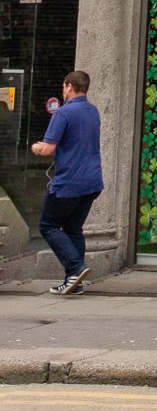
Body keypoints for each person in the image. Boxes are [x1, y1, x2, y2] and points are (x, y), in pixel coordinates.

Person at [31, 69, 102, 297]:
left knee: (48, 226)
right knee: (73, 228)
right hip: (92, 182)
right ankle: (75, 282)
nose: (63, 89)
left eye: (64, 86)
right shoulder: (93, 111)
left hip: (69, 182)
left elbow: (48, 148)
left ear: (69, 87)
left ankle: (76, 268)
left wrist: (35, 147)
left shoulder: (63, 113)